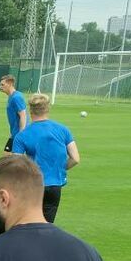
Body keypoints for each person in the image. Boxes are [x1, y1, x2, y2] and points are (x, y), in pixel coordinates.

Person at [11, 93, 80, 223]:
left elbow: (17, 165)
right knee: (47, 226)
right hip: (55, 186)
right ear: (48, 109)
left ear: (30, 110)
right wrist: (58, 169)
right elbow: (75, 158)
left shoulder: (22, 135)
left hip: (33, 185)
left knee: (28, 224)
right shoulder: (63, 130)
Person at [0, 74, 27, 151]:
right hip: (14, 134)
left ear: (10, 84)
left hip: (18, 135)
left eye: (2, 85)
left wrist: (21, 133)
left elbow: (23, 115)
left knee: (11, 158)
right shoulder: (11, 96)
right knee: (7, 158)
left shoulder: (16, 97)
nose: (0, 87)